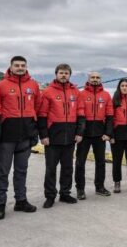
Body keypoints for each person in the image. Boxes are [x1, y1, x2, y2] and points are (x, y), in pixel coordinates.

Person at [0, 56, 41, 219]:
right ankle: (0, 204)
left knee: (21, 171)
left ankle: (21, 200)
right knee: (3, 171)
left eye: (23, 65)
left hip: (25, 136)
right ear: (10, 67)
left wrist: (35, 133)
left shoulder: (33, 85)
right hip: (7, 136)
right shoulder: (1, 85)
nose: (20, 67)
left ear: (26, 67)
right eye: (17, 65)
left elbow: (37, 108)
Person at [37, 63, 82, 209]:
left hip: (70, 137)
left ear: (70, 75)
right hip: (53, 137)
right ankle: (50, 196)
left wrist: (79, 132)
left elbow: (81, 114)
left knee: (67, 167)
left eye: (66, 73)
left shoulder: (75, 92)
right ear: (56, 74)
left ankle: (65, 193)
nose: (64, 75)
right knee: (51, 169)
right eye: (61, 73)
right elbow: (42, 115)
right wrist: (43, 135)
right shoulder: (48, 92)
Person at [75, 71, 114, 199]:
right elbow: (78, 115)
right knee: (80, 162)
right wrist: (79, 133)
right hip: (84, 134)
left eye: (97, 77)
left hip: (99, 134)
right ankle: (80, 189)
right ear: (88, 79)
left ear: (101, 79)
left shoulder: (106, 95)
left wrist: (108, 133)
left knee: (101, 162)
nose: (95, 79)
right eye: (93, 77)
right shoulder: (81, 94)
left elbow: (109, 116)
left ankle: (100, 187)